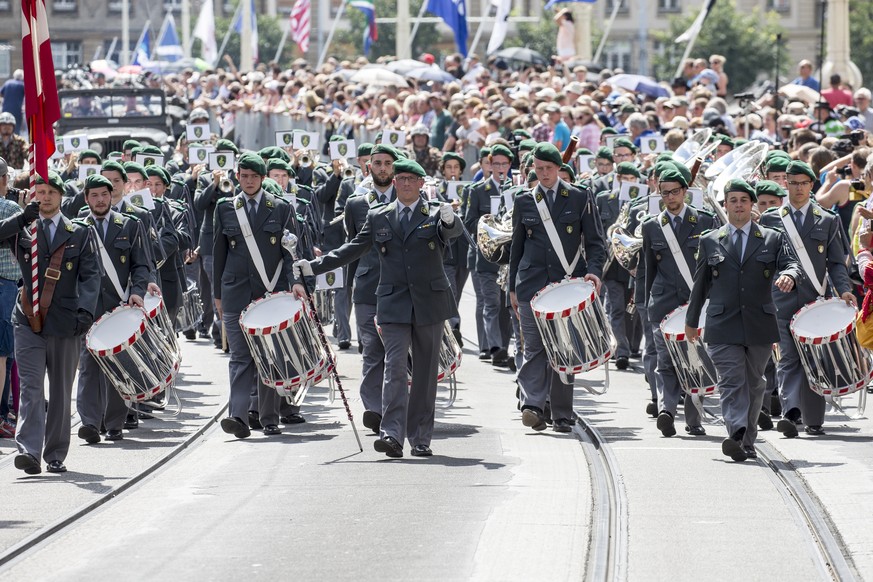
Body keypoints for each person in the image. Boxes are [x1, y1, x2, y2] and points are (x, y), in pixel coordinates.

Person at [295, 158, 463, 458]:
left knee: (424, 374)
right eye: (401, 179)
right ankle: (392, 434)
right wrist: (314, 267)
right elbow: (352, 249)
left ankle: (421, 437)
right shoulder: (379, 215)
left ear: (422, 184)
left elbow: (451, 234)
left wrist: (451, 220)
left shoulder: (434, 212)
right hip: (393, 303)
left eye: (413, 179)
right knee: (394, 369)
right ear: (394, 182)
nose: (406, 184)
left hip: (429, 303)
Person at [685, 179, 800, 462]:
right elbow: (700, 284)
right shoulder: (710, 239)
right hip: (722, 324)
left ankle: (747, 439)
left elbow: (791, 263)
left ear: (752, 205)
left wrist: (789, 276)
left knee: (755, 383)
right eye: (733, 200)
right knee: (731, 379)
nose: (738, 205)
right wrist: (691, 320)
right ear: (725, 205)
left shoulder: (772, 238)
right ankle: (735, 431)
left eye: (743, 200)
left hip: (759, 323)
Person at [0, 171, 100, 474]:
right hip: (28, 319)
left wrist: (85, 312)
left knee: (59, 390)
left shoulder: (78, 232)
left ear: (61, 197)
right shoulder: (23, 228)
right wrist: (19, 219)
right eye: (40, 191)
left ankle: (55, 453)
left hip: (65, 322)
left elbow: (91, 276)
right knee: (31, 387)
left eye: (50, 192)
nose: (44, 197)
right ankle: (29, 450)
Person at [509, 143, 605, 433]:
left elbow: (595, 241)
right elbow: (517, 246)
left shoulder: (578, 197)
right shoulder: (524, 199)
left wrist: (594, 272)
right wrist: (512, 287)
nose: (544, 174)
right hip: (531, 284)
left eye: (549, 169)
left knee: (564, 350)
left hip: (566, 285)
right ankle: (533, 405)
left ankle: (562, 413)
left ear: (559, 169)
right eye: (538, 169)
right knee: (534, 348)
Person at [759, 160, 855, 438]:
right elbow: (764, 262)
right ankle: (791, 413)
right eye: (793, 183)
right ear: (785, 184)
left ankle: (814, 419)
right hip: (782, 299)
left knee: (816, 358)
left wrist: (843, 288)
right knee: (788, 358)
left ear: (811, 185)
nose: (799, 188)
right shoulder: (770, 219)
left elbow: (837, 262)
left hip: (816, 300)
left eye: (804, 183)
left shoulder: (827, 219)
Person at [213, 153, 304, 439]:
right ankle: (237, 416)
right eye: (244, 176)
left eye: (254, 176)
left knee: (269, 355)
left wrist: (295, 283)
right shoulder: (225, 208)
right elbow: (218, 254)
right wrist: (217, 295)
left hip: (270, 293)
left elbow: (291, 252)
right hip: (235, 293)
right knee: (240, 357)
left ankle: (268, 417)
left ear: (263, 179)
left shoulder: (279, 207)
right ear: (237, 177)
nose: (248, 181)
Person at [74, 175, 153, 443]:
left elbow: (141, 265)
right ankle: (89, 423)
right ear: (86, 199)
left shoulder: (130, 225)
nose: (99, 200)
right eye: (93, 195)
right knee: (88, 366)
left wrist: (137, 292)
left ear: (112, 196)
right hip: (87, 307)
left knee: (118, 364)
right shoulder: (76, 228)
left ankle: (115, 422)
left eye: (104, 195)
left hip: (118, 306)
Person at [642, 164, 715, 437]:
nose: (670, 198)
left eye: (674, 192)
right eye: (665, 193)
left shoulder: (705, 222)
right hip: (662, 304)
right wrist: (644, 303)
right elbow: (648, 269)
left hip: (696, 305)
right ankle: (667, 410)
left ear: (685, 192)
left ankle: (694, 420)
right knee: (665, 361)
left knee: (696, 361)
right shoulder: (651, 226)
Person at [339, 143, 398, 434]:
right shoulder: (355, 203)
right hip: (366, 288)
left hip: (400, 290)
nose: (383, 168)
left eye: (388, 163)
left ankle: (395, 407)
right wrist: (348, 287)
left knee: (397, 353)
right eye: (378, 163)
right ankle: (374, 409)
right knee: (372, 351)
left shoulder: (409, 197)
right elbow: (352, 247)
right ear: (369, 167)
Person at [463, 145, 513, 367]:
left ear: (510, 166)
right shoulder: (478, 190)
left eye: (504, 164)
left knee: (506, 307)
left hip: (509, 258)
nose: (500, 168)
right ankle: (495, 347)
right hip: (486, 257)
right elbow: (468, 223)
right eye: (496, 164)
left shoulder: (515, 190)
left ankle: (502, 345)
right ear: (489, 165)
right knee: (491, 303)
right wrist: (489, 222)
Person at [0, 70, 25, 135]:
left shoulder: (7, 83)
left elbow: (1, 93)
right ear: (22, 77)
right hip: (17, 111)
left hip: (6, 109)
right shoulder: (22, 85)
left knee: (3, 127)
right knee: (16, 130)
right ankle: (15, 144)